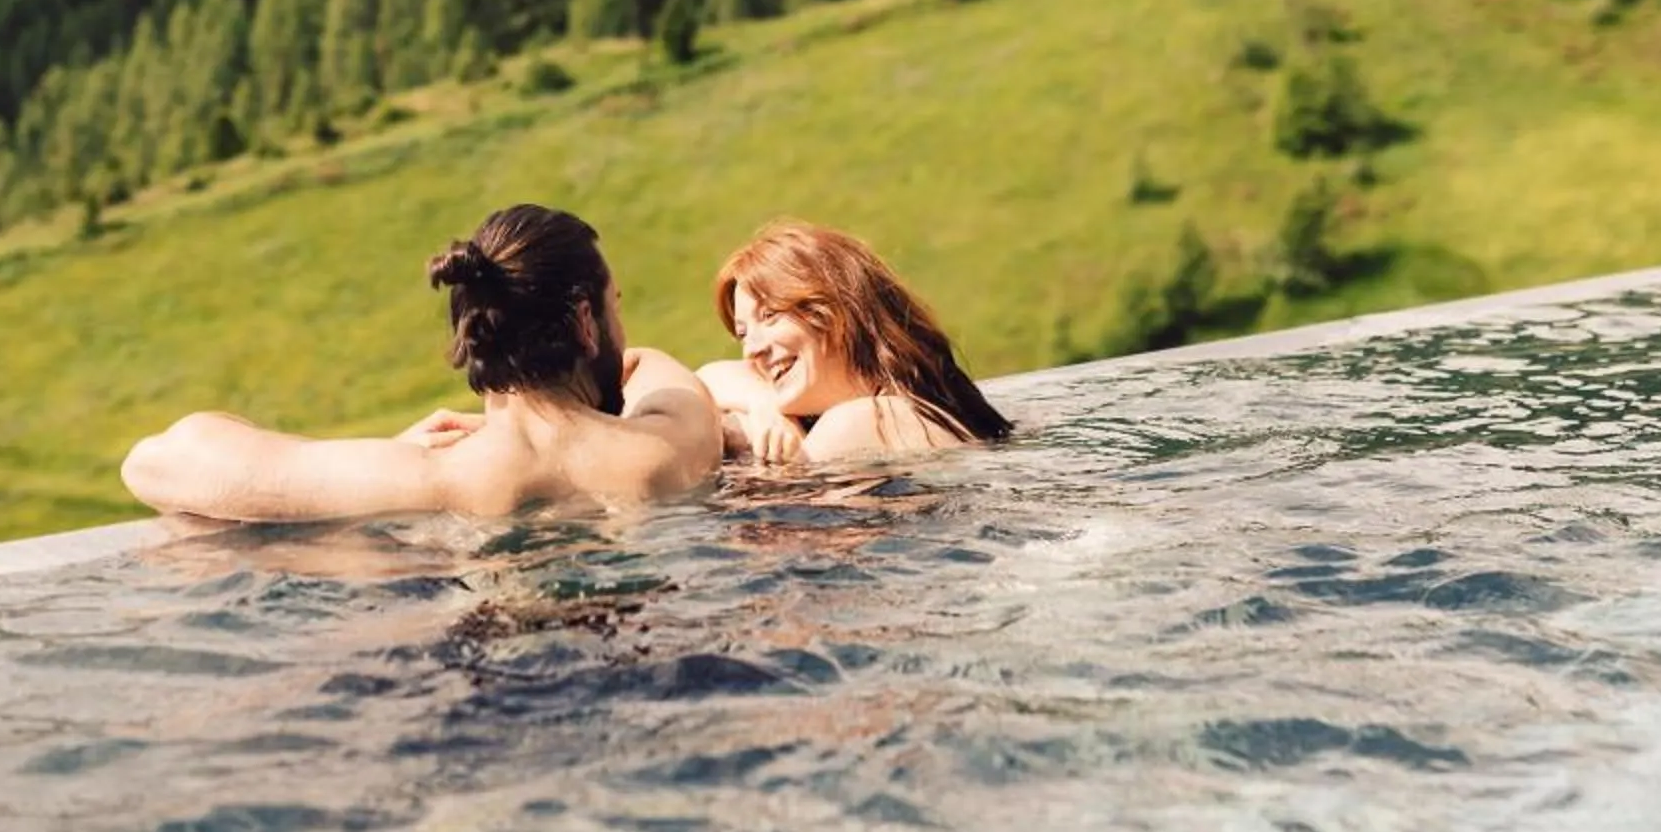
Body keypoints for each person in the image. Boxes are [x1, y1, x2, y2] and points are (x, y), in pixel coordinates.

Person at [120, 203, 720, 521]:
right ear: (587, 322)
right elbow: (649, 367)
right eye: (616, 307)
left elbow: (155, 462)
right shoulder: (666, 451)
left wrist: (393, 451)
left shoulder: (429, 477)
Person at [699, 221, 1012, 464]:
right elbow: (706, 379)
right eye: (743, 333)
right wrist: (764, 405)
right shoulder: (913, 407)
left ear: (837, 314)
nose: (752, 349)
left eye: (770, 315)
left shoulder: (859, 423)